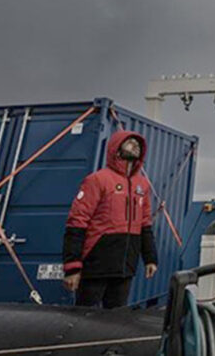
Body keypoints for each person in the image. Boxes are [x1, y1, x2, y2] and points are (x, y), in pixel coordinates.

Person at [62, 130, 158, 308]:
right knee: (85, 316)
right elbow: (77, 222)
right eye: (129, 142)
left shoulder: (142, 185)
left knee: (116, 319)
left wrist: (150, 258)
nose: (135, 146)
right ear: (116, 148)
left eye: (137, 144)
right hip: (97, 263)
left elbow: (145, 223)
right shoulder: (97, 180)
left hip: (125, 266)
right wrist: (72, 267)